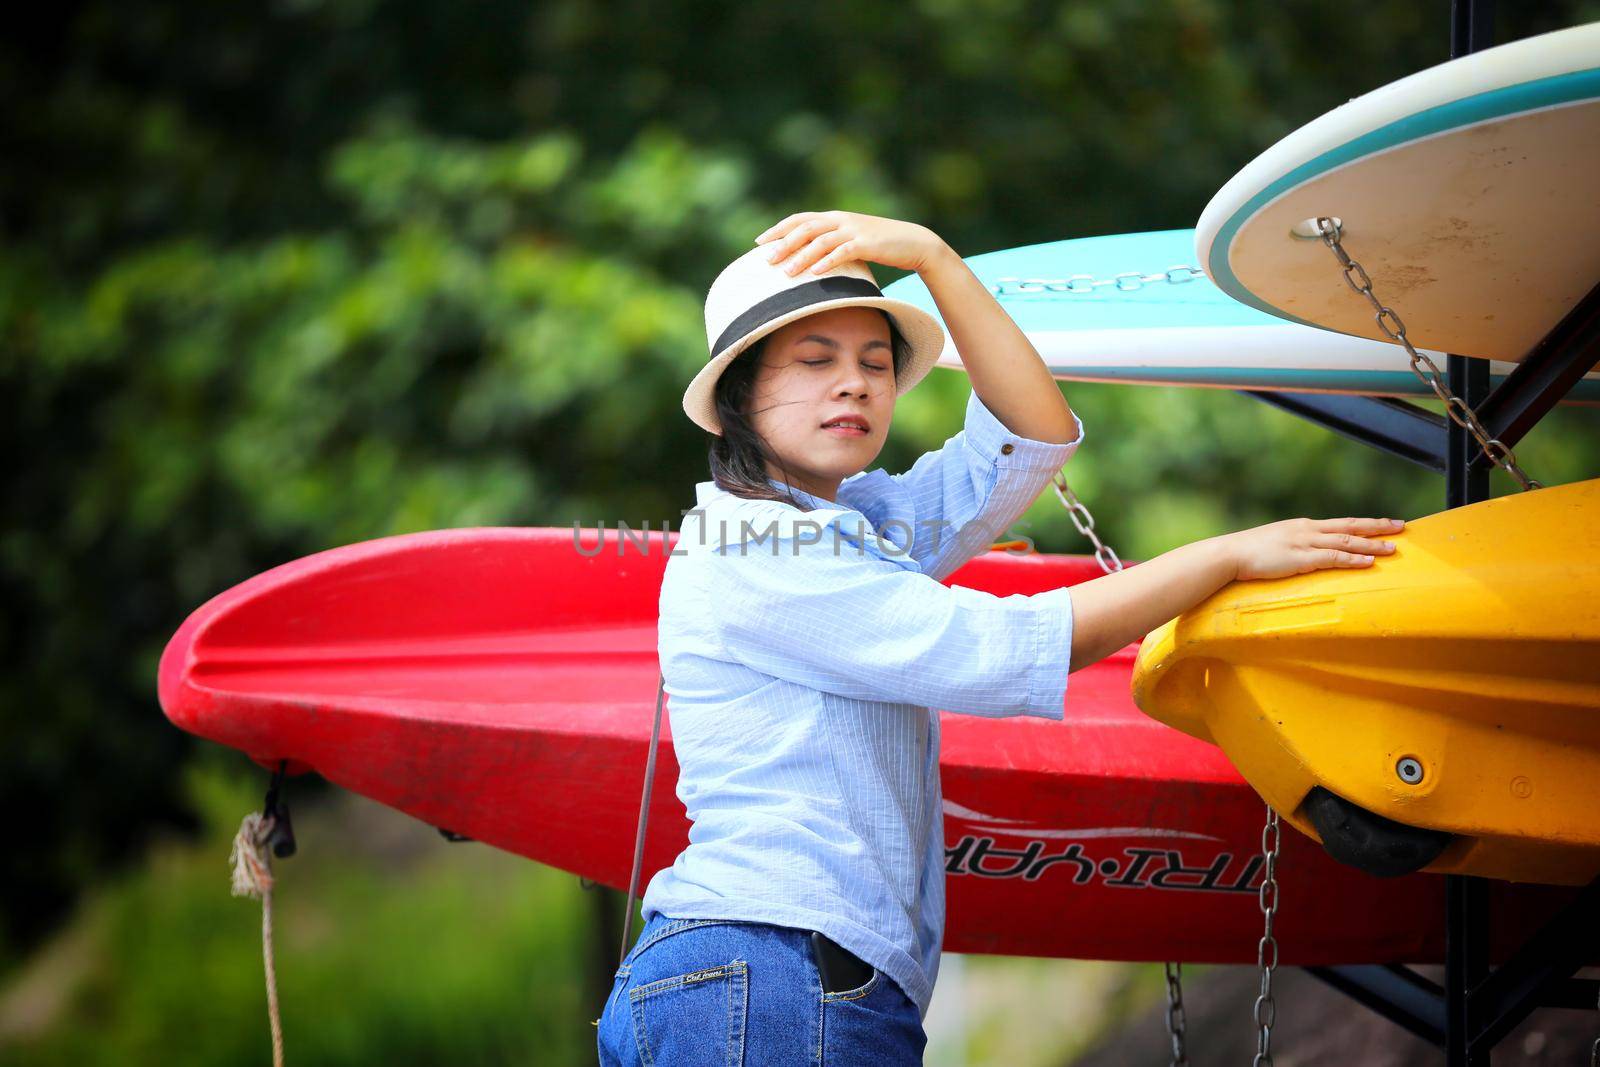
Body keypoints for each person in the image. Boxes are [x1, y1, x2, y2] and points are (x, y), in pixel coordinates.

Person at [596, 211, 1404, 1065]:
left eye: (876, 363)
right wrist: (1226, 556)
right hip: (772, 976)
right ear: (736, 397)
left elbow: (1028, 440)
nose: (857, 385)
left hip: (763, 983)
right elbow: (1003, 648)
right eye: (815, 360)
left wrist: (934, 257)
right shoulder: (760, 549)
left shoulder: (852, 523)